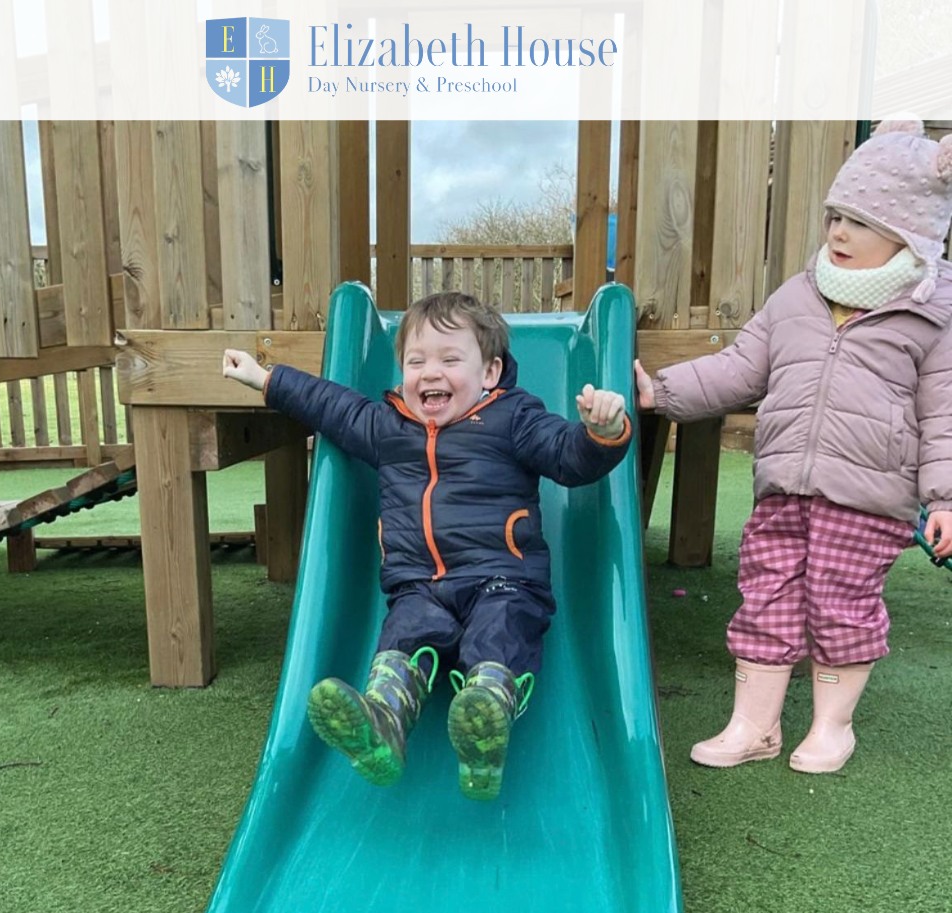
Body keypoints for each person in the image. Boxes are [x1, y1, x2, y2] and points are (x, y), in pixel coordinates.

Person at [634, 118, 952, 775]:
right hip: (783, 487)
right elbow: (736, 369)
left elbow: (944, 412)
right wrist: (659, 393)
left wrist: (944, 496)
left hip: (869, 497)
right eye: (836, 215)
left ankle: (832, 728)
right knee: (766, 597)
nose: (838, 232)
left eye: (861, 222)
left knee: (840, 605)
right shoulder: (798, 297)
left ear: (911, 234)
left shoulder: (932, 312)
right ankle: (754, 725)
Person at [224, 290, 631, 800]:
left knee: (499, 630)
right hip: (419, 586)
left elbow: (567, 457)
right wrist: (266, 379)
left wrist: (602, 432)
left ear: (489, 372)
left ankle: (487, 716)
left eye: (449, 359)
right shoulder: (388, 427)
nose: (429, 372)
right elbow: (332, 407)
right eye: (415, 361)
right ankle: (383, 727)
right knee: (404, 639)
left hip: (503, 576)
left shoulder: (514, 419)